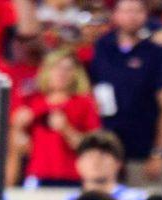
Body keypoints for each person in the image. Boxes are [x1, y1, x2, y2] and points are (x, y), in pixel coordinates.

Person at [89, 0, 162, 185]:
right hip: (106, 149)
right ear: (115, 14)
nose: (132, 16)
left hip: (144, 152)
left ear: (146, 15)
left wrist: (159, 152)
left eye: (137, 10)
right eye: (126, 10)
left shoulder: (157, 52)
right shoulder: (101, 48)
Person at [11, 48, 101, 187]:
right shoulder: (32, 101)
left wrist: (66, 129)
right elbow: (21, 146)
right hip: (37, 175)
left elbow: (93, 147)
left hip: (72, 177)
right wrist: (18, 127)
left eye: (68, 69)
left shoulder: (85, 103)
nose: (61, 74)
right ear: (47, 71)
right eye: (57, 68)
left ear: (76, 74)